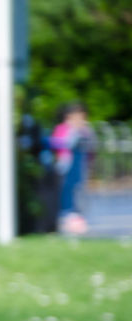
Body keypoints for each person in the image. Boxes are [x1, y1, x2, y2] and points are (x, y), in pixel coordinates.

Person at [49, 101, 96, 235]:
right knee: (67, 190)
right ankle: (66, 215)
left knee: (79, 190)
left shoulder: (86, 130)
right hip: (66, 166)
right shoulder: (63, 128)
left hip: (80, 167)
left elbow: (91, 148)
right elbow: (59, 144)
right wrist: (74, 132)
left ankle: (77, 215)